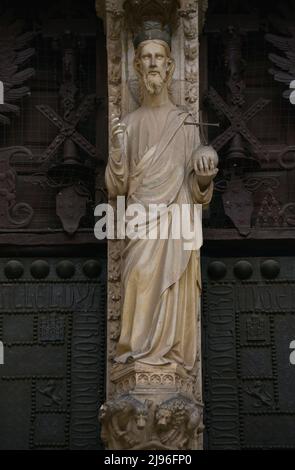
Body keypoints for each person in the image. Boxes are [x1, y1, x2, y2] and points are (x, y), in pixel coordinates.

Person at [105, 22, 218, 371]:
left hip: (175, 226)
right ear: (137, 66)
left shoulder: (186, 123)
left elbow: (201, 195)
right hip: (140, 223)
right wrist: (117, 150)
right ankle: (137, 356)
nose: (153, 63)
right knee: (137, 275)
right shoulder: (130, 123)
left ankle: (168, 358)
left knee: (172, 287)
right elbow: (116, 188)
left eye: (159, 57)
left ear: (170, 66)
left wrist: (204, 172)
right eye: (146, 57)